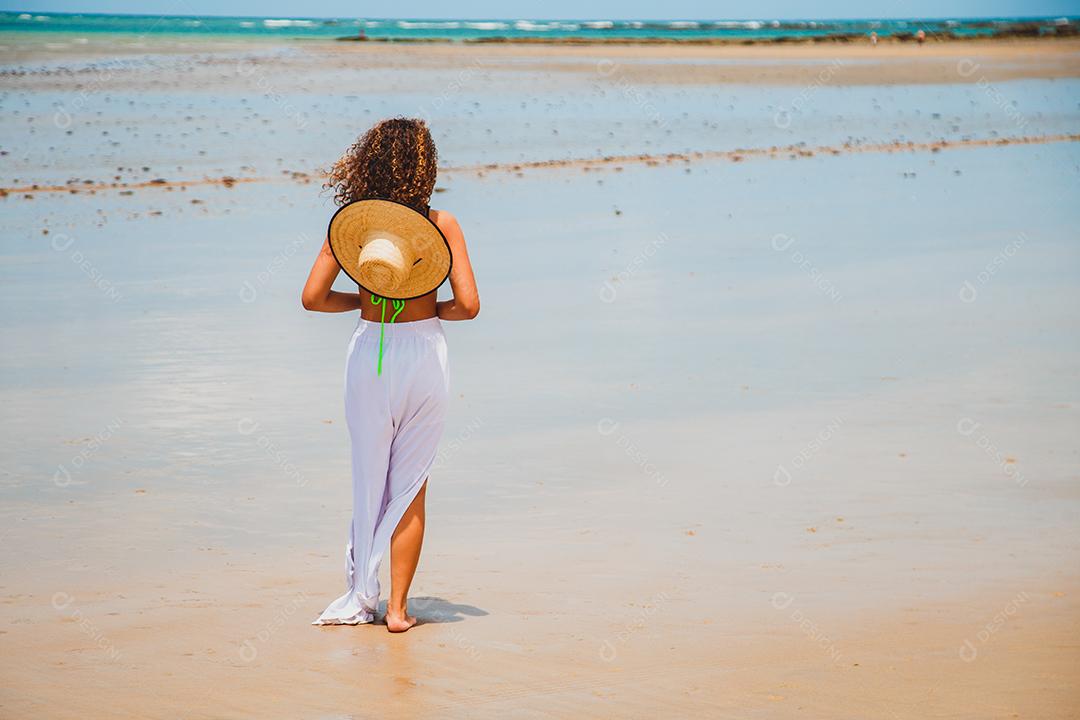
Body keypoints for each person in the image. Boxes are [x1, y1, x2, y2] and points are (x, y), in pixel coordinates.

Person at [302, 117, 480, 632]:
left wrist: (366, 300)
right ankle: (398, 611)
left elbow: (312, 299)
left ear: (367, 163)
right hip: (424, 356)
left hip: (369, 356)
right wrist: (426, 311)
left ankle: (362, 595)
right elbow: (467, 306)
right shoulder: (441, 223)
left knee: (369, 481)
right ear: (426, 167)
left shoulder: (350, 226)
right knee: (411, 487)